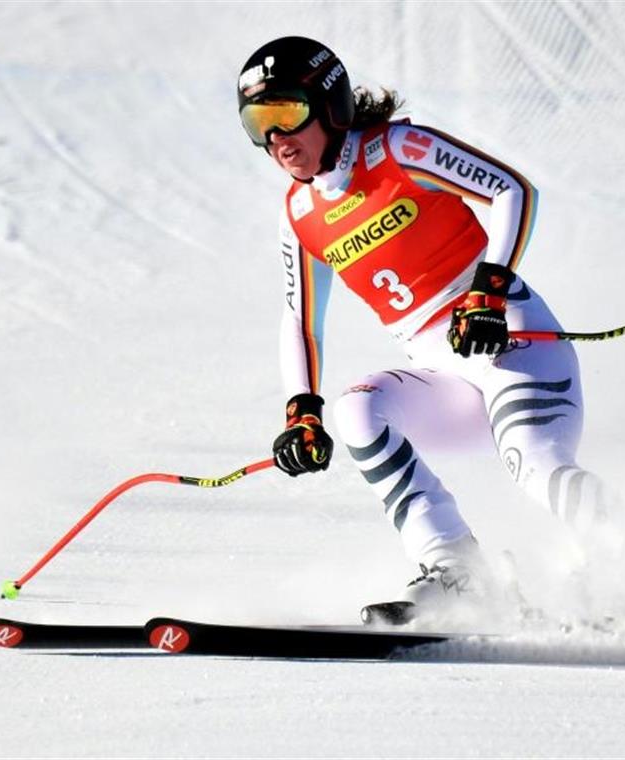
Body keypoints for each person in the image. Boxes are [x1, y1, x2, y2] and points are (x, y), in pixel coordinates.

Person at [237, 36, 604, 624]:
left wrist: (488, 288)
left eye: (287, 114)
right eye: (260, 122)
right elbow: (302, 321)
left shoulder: (398, 149)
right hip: (445, 375)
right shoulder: (300, 214)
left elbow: (512, 190)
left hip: (510, 342)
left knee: (536, 468)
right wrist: (301, 409)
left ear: (329, 107)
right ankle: (460, 574)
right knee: (356, 409)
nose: (277, 140)